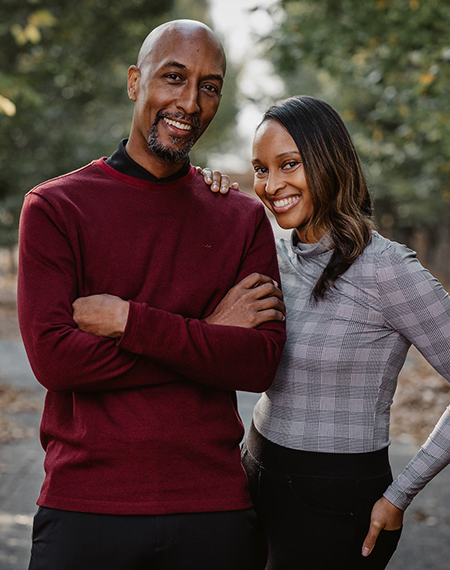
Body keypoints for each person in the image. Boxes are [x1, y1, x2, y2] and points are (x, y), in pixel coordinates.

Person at [17, 19, 286, 570]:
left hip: (214, 511)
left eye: (209, 86)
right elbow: (56, 362)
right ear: (137, 82)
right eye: (174, 77)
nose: (189, 101)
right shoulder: (54, 208)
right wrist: (207, 337)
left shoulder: (240, 218)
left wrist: (129, 323)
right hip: (86, 508)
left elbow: (259, 364)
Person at [205, 95, 450, 569]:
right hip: (250, 474)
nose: (272, 185)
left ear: (329, 161)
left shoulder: (388, 270)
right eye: (260, 169)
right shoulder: (269, 253)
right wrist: (204, 196)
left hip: (336, 504)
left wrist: (401, 494)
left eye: (289, 164)